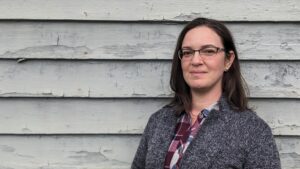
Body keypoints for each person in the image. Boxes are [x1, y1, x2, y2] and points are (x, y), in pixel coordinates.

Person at [131, 17, 281, 169]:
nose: (196, 60)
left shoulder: (253, 131)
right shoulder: (158, 121)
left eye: (208, 51)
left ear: (228, 60)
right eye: (188, 52)